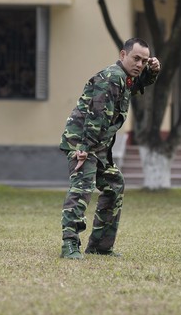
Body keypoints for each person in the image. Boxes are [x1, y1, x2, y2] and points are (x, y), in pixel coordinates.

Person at [59, 37, 161, 259]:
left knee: (114, 185)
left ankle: (100, 245)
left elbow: (140, 84)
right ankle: (69, 245)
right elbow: (96, 117)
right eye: (136, 58)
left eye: (144, 61)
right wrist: (84, 149)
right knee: (81, 190)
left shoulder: (125, 78)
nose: (140, 65)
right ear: (123, 55)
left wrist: (152, 72)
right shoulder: (111, 78)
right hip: (84, 142)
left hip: (98, 144)